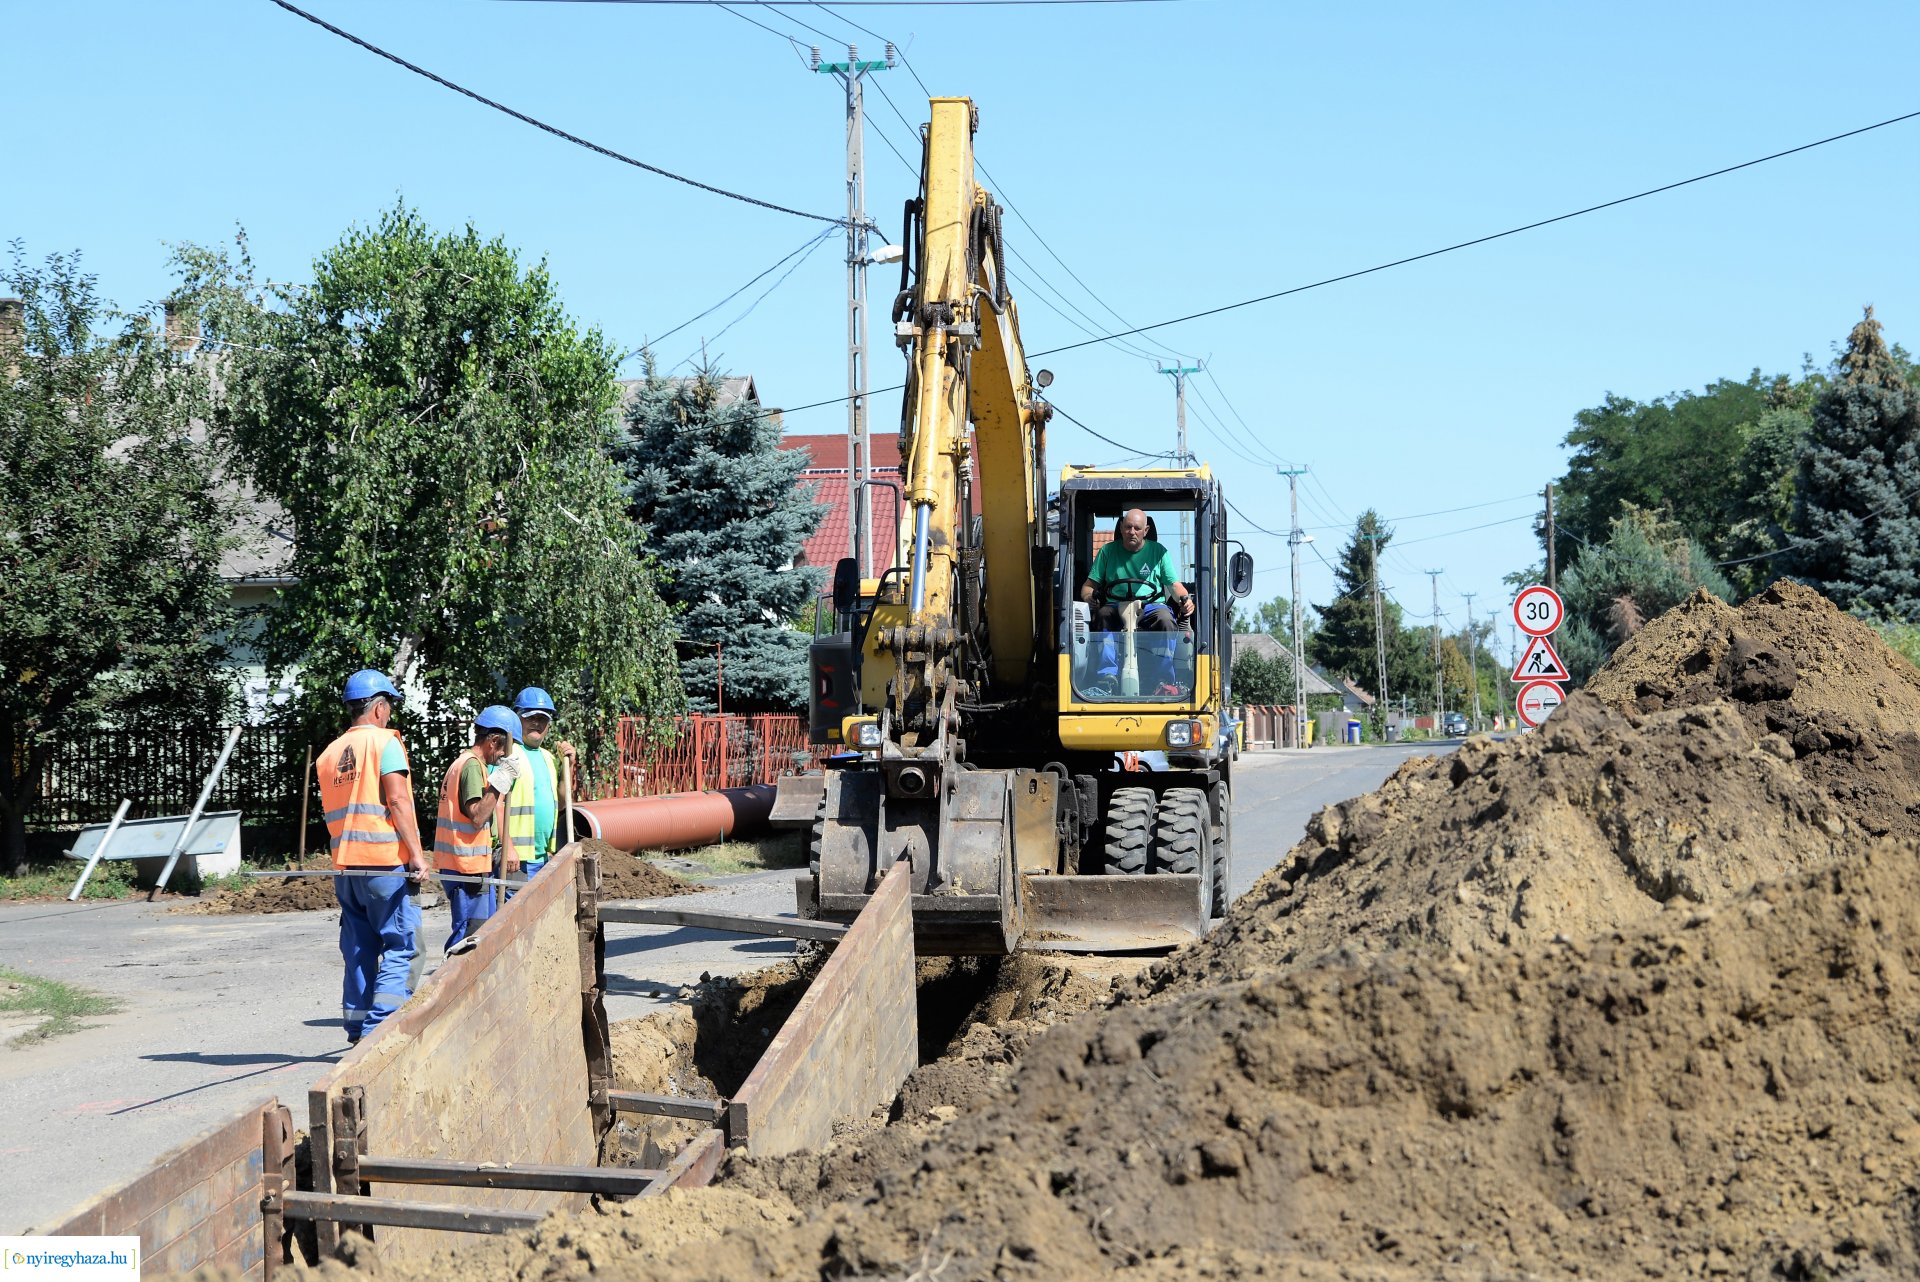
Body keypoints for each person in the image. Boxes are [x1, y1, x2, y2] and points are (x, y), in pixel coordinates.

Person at [316, 669, 428, 1045]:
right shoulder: (384, 742)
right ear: (379, 708)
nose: (389, 714)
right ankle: (380, 1029)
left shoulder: (330, 754)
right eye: (389, 706)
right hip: (385, 865)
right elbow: (397, 799)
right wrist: (417, 855)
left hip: (347, 868)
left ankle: (357, 1028)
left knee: (359, 948)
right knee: (403, 947)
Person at [435, 706, 524, 952]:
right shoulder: (472, 766)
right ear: (493, 741)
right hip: (466, 869)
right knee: (468, 938)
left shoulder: (465, 763)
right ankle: (453, 978)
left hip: (467, 866)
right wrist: (501, 780)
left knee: (476, 933)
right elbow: (477, 815)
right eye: (505, 749)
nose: (504, 756)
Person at [1079, 509, 1195, 694]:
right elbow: (1088, 587)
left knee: (1166, 619)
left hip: (1150, 607)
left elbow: (1174, 586)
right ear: (1121, 528)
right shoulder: (1107, 551)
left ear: (1146, 530)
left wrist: (1185, 599)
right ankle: (1107, 676)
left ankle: (1163, 680)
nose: (1131, 532)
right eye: (1128, 527)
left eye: (1137, 528)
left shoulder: (1159, 552)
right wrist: (1088, 597)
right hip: (1116, 607)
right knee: (1102, 615)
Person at [507, 687, 578, 880]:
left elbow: (562, 803)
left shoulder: (549, 758)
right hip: (516, 859)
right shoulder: (508, 755)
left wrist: (568, 766)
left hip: (543, 857)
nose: (536, 723)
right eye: (530, 717)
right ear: (517, 719)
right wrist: (508, 847)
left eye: (542, 719)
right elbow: (495, 806)